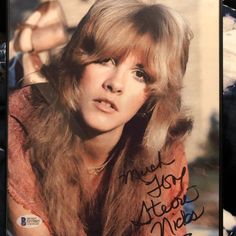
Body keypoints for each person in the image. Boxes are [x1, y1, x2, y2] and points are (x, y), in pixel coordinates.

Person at [8, 0, 193, 235]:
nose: (115, 84)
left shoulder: (163, 149)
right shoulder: (21, 120)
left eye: (140, 75)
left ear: (153, 97)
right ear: (78, 61)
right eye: (107, 60)